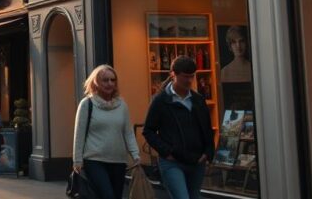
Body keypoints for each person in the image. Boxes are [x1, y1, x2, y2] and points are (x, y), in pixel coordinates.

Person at [143, 56, 214, 199]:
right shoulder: (161, 101)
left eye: (192, 76)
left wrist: (208, 152)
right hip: (172, 162)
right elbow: (148, 131)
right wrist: (166, 151)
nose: (189, 81)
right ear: (173, 75)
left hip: (196, 161)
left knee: (194, 196)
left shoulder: (198, 100)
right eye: (185, 77)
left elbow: (207, 129)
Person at [72, 65, 140, 199]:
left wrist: (135, 154)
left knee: (116, 196)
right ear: (95, 82)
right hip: (94, 160)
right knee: (108, 195)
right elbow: (79, 135)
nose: (110, 83)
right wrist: (77, 161)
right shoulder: (87, 104)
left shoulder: (122, 105)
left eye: (112, 80)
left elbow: (128, 132)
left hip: (118, 160)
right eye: (105, 80)